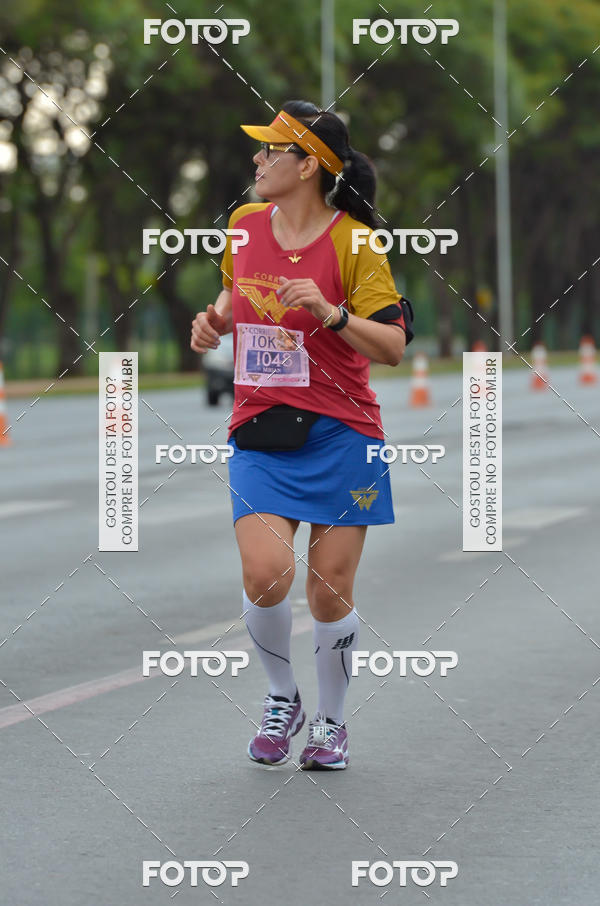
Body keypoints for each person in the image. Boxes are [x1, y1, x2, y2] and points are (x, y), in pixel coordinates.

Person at [190, 100, 414, 770]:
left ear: (309, 165)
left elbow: (393, 346)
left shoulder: (356, 243)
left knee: (328, 589)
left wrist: (331, 314)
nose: (257, 159)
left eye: (271, 150)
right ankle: (282, 696)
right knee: (265, 574)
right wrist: (215, 322)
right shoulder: (242, 225)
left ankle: (332, 722)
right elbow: (232, 293)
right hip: (260, 427)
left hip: (343, 433)